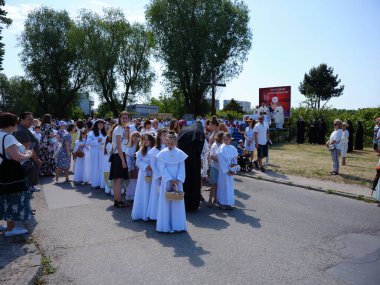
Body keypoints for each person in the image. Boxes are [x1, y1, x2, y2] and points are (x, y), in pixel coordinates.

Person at [0, 112, 33, 236]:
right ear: (11, 124)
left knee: (3, 199)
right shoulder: (8, 137)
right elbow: (16, 156)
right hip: (10, 173)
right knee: (12, 199)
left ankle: (7, 226)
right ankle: (10, 229)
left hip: (2, 171)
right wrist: (28, 154)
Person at [156, 132, 188, 233]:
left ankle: (177, 225)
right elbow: (162, 167)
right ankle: (166, 225)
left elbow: (182, 167)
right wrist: (169, 179)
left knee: (176, 202)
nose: (170, 145)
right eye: (168, 143)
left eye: (172, 143)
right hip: (167, 180)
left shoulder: (180, 153)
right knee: (166, 201)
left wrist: (178, 179)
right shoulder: (162, 153)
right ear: (166, 142)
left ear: (175, 142)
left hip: (177, 181)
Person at [178, 122, 205, 212]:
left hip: (183, 160)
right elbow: (199, 148)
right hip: (194, 161)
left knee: (184, 181)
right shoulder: (199, 131)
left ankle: (183, 202)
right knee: (194, 182)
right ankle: (192, 204)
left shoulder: (184, 131)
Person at [14, 112, 41, 192]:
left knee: (32, 173)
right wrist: (36, 160)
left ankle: (31, 186)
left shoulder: (24, 129)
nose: (31, 121)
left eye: (32, 119)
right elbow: (28, 148)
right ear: (22, 119)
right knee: (30, 172)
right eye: (29, 119)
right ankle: (29, 187)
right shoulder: (22, 131)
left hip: (29, 157)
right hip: (29, 158)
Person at [132, 133, 155, 221]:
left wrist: (153, 166)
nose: (145, 141)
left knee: (151, 192)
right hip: (143, 174)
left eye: (147, 139)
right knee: (144, 192)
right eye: (144, 140)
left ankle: (151, 213)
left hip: (153, 174)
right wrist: (146, 166)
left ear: (152, 140)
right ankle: (142, 213)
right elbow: (138, 162)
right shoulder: (141, 150)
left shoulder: (155, 150)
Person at [109, 111, 130, 208]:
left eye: (126, 118)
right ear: (119, 119)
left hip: (121, 154)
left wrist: (127, 133)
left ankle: (117, 200)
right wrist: (123, 160)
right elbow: (118, 146)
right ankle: (117, 201)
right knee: (117, 179)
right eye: (123, 118)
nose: (125, 119)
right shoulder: (118, 129)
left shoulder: (123, 129)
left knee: (118, 179)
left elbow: (126, 144)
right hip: (118, 155)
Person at [147, 128, 168, 220]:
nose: (166, 137)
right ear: (159, 136)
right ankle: (155, 215)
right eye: (164, 135)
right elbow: (152, 164)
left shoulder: (169, 148)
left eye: (167, 135)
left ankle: (164, 215)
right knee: (157, 194)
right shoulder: (155, 150)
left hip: (167, 176)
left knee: (165, 196)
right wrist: (159, 175)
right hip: (158, 177)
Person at [216, 133, 238, 210]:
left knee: (230, 187)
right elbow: (221, 161)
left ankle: (229, 203)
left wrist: (234, 168)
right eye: (224, 139)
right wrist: (226, 170)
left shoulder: (232, 148)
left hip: (230, 171)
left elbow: (235, 158)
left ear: (230, 139)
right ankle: (222, 202)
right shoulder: (221, 148)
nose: (225, 141)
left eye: (227, 139)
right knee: (223, 186)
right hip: (224, 172)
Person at [87, 120, 107, 188]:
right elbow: (88, 143)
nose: (101, 125)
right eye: (99, 124)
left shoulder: (104, 133)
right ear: (96, 125)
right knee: (95, 167)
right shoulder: (91, 133)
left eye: (102, 124)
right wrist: (97, 141)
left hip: (102, 152)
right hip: (95, 151)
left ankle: (102, 183)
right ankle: (95, 183)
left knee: (102, 166)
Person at [208, 131, 224, 207]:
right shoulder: (215, 145)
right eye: (223, 138)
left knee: (217, 184)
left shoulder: (222, 145)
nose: (224, 139)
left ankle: (215, 199)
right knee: (213, 184)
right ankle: (210, 200)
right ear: (220, 138)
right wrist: (220, 160)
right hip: (214, 167)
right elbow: (211, 156)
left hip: (220, 168)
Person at [125, 132, 141, 202]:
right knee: (131, 181)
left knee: (137, 182)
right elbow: (128, 157)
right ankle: (130, 196)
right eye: (133, 136)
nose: (135, 138)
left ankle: (137, 196)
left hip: (138, 167)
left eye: (137, 136)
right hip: (131, 167)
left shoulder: (141, 147)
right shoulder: (129, 146)